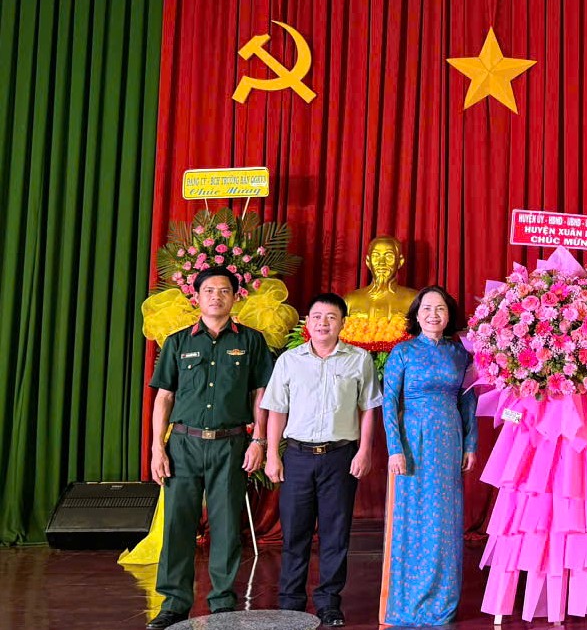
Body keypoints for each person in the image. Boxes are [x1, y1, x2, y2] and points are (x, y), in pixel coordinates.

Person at [145, 267, 274, 629]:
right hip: (183, 444)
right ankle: (174, 602)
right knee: (177, 525)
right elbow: (164, 397)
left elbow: (260, 394)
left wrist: (259, 440)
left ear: (235, 297)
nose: (217, 296)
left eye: (224, 291)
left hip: (231, 444)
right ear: (197, 297)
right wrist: (158, 448)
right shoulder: (177, 342)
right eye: (209, 291)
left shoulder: (251, 341)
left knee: (227, 524)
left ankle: (222, 602)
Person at [262, 293, 383, 627]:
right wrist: (273, 455)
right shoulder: (289, 360)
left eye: (331, 317)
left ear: (343, 323)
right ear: (307, 322)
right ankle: (290, 603)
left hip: (340, 457)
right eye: (316, 316)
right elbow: (276, 410)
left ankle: (329, 602)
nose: (323, 323)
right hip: (298, 457)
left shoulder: (359, 360)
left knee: (335, 533)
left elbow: (369, 408)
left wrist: (364, 450)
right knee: (295, 533)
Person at [379, 285, 478, 625]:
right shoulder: (402, 353)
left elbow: (469, 400)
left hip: (449, 440)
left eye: (440, 309)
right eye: (426, 308)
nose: (433, 314)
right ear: (416, 314)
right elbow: (389, 404)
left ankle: (442, 604)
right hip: (412, 444)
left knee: (445, 522)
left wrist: (471, 445)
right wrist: (395, 449)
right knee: (414, 520)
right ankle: (408, 604)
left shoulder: (460, 353)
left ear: (449, 316)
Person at [344, 235, 418, 320]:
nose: (381, 263)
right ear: (368, 262)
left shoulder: (415, 300)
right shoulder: (349, 301)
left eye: (388, 256)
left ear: (400, 262)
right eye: (376, 256)